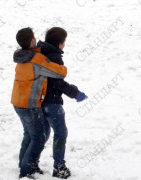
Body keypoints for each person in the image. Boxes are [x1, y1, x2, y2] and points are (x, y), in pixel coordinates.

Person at [11, 27, 68, 179]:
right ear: (31, 40)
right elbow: (59, 72)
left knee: (29, 135)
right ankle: (27, 170)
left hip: (17, 101)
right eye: (34, 37)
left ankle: (23, 163)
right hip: (29, 104)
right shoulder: (35, 58)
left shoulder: (21, 57)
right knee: (39, 137)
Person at [37, 27, 87, 179]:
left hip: (39, 100)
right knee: (61, 133)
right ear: (60, 43)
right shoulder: (54, 57)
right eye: (64, 42)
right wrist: (75, 93)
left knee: (42, 134)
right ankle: (59, 167)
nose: (64, 45)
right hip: (52, 102)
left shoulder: (40, 53)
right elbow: (57, 82)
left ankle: (31, 161)